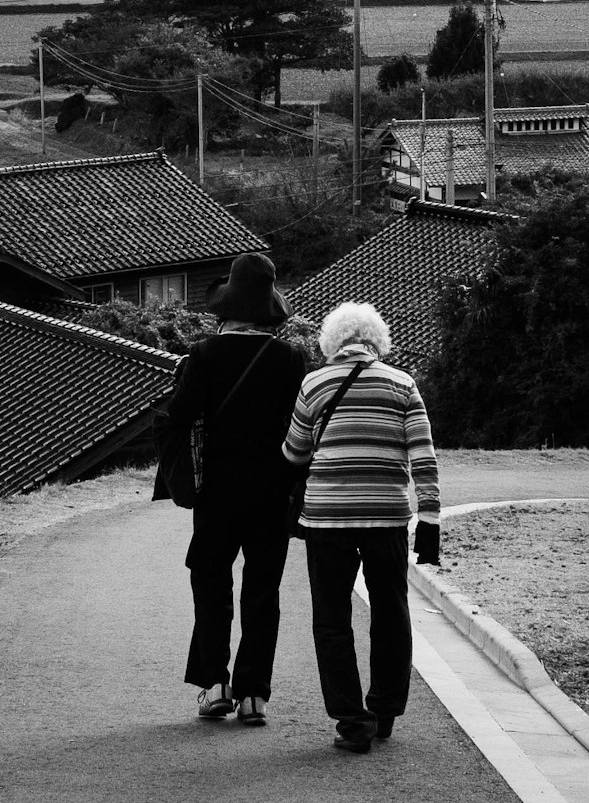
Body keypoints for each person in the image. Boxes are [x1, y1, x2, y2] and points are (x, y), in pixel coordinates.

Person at [283, 301, 443, 755]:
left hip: (327, 518)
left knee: (331, 618)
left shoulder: (314, 383)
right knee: (391, 611)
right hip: (387, 517)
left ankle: (353, 722)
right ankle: (385, 711)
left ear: (332, 342)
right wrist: (429, 515)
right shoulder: (402, 383)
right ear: (377, 341)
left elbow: (294, 452)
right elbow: (423, 456)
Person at [157, 254, 309, 728]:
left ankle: (214, 683)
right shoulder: (291, 359)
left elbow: (177, 420)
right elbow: (302, 428)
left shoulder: (204, 355)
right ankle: (253, 696)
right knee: (263, 592)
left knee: (210, 583)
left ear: (228, 308)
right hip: (272, 492)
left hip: (217, 493)